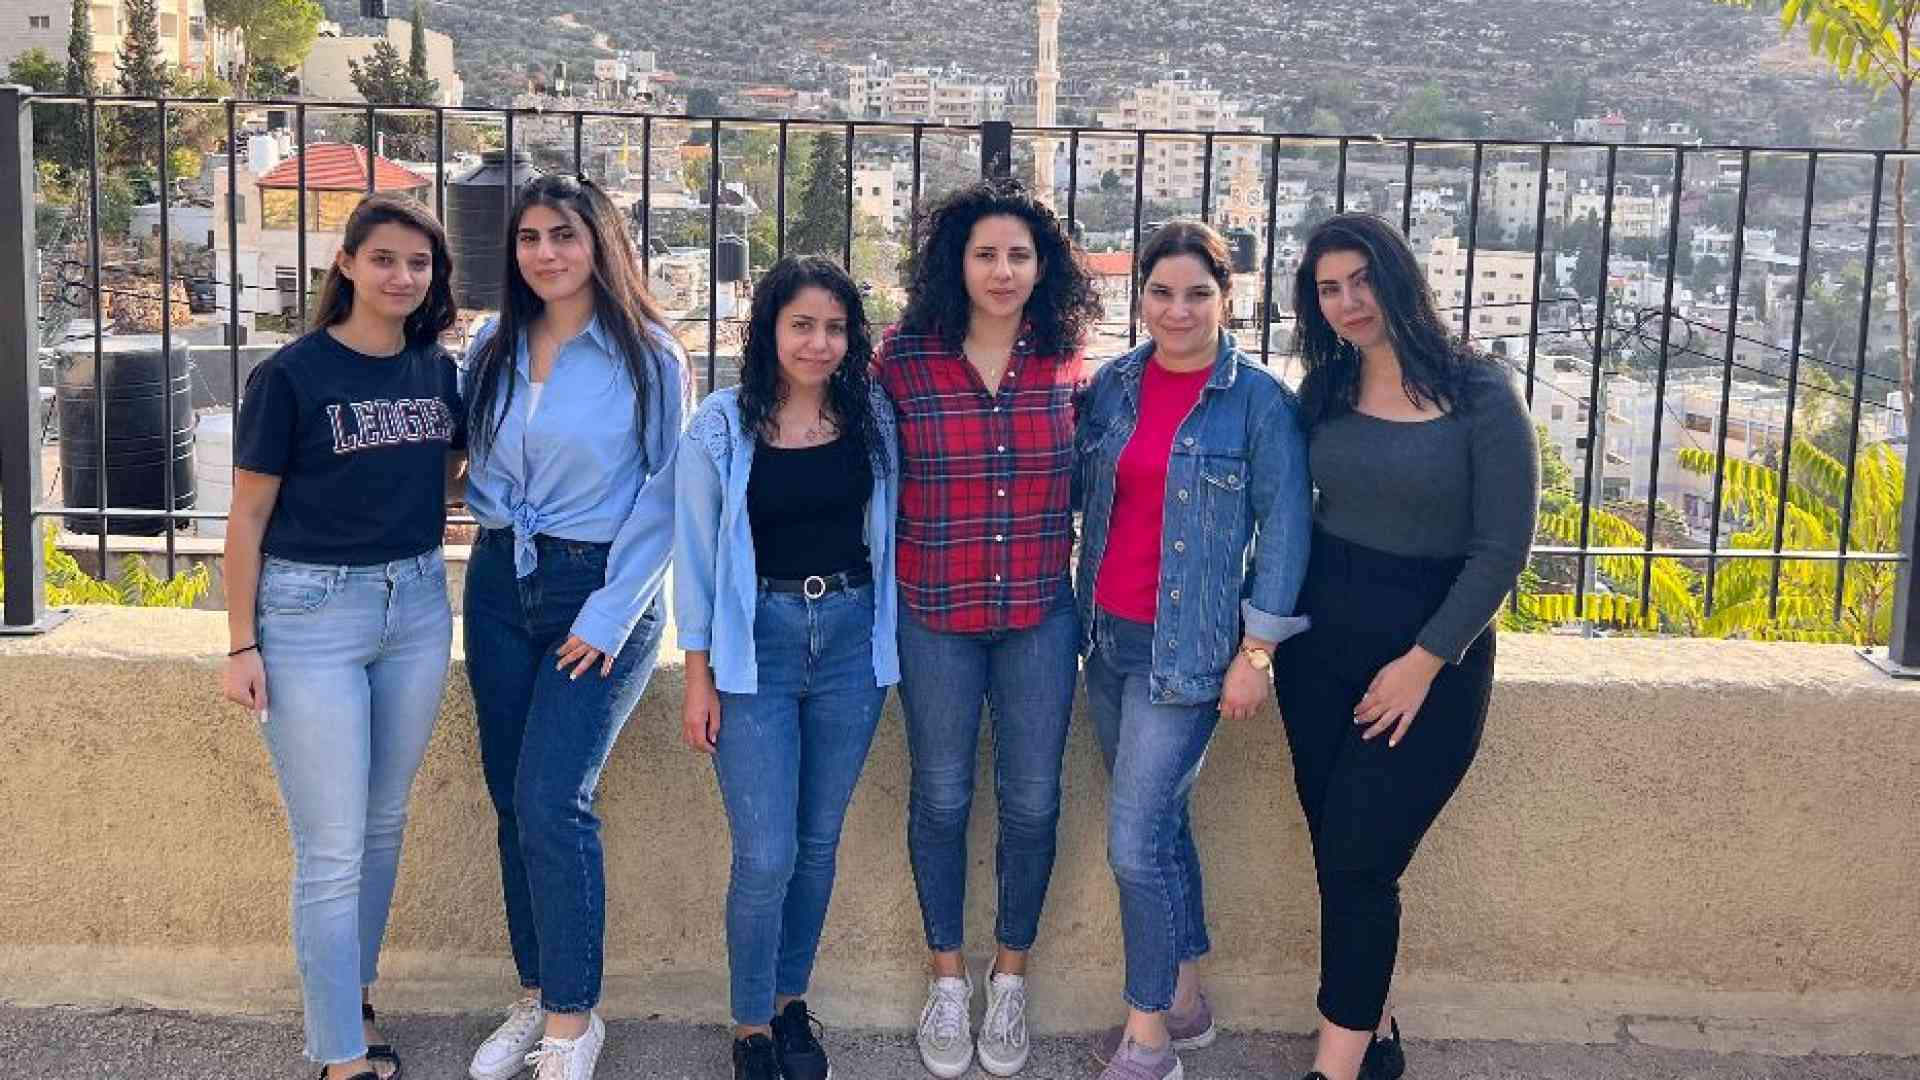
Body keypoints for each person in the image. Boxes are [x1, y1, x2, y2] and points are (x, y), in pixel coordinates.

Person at [1279, 213, 1538, 1080]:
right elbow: (1289, 514)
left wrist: (1424, 663)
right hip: (1318, 655)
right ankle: (1374, 1036)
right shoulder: (1323, 390)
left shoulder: (1480, 390)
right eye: (1329, 289)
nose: (1349, 301)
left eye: (1362, 279)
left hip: (1430, 663)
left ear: (1399, 277)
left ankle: (1334, 1071)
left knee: (1362, 862)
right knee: (1337, 856)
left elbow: (1501, 549)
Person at [221, 193, 464, 1080]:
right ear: (348, 264)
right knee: (330, 847)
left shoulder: (438, 372)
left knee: (383, 822)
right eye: (385, 258)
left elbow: (444, 472)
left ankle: (353, 992)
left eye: (419, 263)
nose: (402, 276)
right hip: (310, 617)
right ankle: (340, 1056)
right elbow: (247, 516)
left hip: (418, 605)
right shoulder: (291, 376)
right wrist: (241, 643)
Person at [460, 175, 689, 1080]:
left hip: (599, 588)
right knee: (512, 798)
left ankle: (571, 1020)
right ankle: (534, 989)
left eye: (564, 234)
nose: (546, 253)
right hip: (497, 579)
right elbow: (464, 465)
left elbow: (667, 495)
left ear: (600, 243)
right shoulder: (491, 345)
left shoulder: (648, 355)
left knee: (554, 796)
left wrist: (608, 612)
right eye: (529, 238)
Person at [875, 177, 1104, 1080]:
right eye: (985, 254)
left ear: (1043, 267)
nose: (1002, 271)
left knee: (1034, 801)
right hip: (934, 613)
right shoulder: (904, 360)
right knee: (940, 798)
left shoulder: (1068, 362)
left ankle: (1009, 977)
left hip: (1039, 616)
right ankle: (947, 978)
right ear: (955, 263)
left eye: (1019, 254)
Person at [1075, 221, 1311, 1080]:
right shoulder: (1114, 386)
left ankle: (1148, 1041)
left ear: (1227, 298)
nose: (1177, 311)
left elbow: (1285, 533)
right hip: (1106, 640)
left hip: (1188, 657)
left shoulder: (1260, 403)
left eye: (1197, 294)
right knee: (1162, 826)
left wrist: (1258, 651)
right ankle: (1185, 1001)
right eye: (1161, 293)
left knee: (1133, 845)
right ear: (1140, 296)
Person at [674, 255, 901, 1080]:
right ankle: (750, 1025)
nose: (818, 343)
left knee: (816, 843)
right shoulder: (720, 425)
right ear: (768, 329)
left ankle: (787, 1003)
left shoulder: (873, 416)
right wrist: (697, 675)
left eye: (835, 328)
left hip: (851, 640)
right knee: (765, 853)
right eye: (801, 324)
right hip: (755, 646)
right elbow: (695, 558)